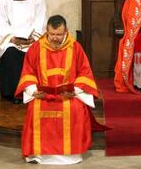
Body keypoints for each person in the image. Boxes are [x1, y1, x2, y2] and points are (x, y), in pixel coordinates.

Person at [14, 15, 104, 164]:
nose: (55, 38)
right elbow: (28, 71)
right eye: (52, 34)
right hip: (43, 95)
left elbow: (85, 72)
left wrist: (75, 90)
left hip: (68, 95)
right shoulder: (36, 47)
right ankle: (39, 153)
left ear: (66, 31)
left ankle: (70, 154)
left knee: (75, 107)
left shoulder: (75, 47)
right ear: (46, 31)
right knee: (35, 106)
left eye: (59, 34)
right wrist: (33, 90)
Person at [0, 0, 46, 103]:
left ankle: (34, 91)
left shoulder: (38, 0)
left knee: (37, 52)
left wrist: (33, 38)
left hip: (31, 39)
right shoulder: (3, 1)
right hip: (11, 40)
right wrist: (11, 38)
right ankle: (15, 93)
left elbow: (41, 21)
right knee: (11, 53)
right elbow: (0, 22)